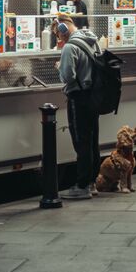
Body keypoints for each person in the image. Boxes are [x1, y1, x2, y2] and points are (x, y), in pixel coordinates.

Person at [55, 13, 101, 200]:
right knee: (92, 140)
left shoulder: (70, 47)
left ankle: (82, 186)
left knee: (81, 142)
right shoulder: (92, 39)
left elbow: (68, 77)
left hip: (78, 97)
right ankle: (91, 182)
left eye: (57, 34)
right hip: (94, 96)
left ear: (63, 29)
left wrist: (59, 66)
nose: (58, 38)